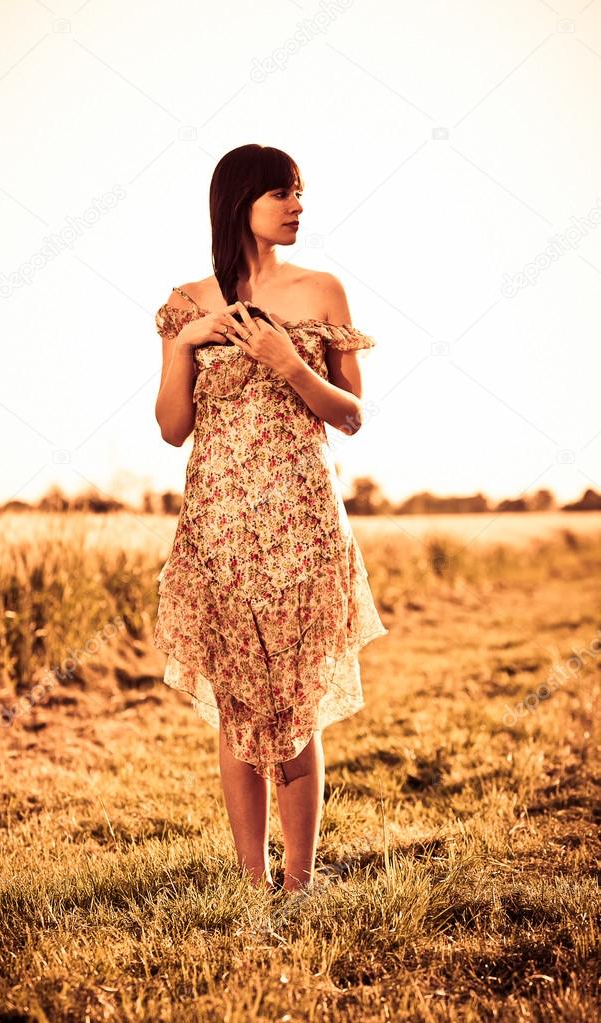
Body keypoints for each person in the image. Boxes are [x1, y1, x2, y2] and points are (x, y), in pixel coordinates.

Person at [152, 143, 388, 894]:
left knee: (295, 699)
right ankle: (251, 878)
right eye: (282, 193)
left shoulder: (323, 291)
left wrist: (292, 364)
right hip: (219, 525)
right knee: (236, 702)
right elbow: (171, 426)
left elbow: (350, 415)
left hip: (303, 521)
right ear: (240, 200)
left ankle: (298, 880)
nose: (297, 205)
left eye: (299, 193)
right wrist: (185, 342)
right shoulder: (188, 301)